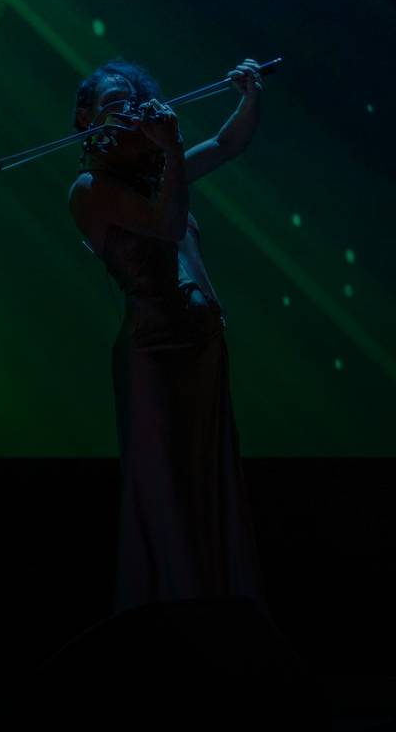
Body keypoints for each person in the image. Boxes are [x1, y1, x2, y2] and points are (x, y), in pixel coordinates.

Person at [66, 57, 268, 614]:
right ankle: (172, 616)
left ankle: (218, 608)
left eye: (134, 103)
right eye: (114, 105)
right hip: (154, 356)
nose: (129, 112)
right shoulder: (89, 189)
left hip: (201, 351)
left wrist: (250, 96)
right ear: (86, 120)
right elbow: (167, 224)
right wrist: (173, 148)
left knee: (208, 486)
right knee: (167, 496)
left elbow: (227, 143)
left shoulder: (158, 175)